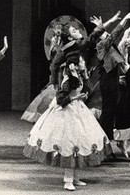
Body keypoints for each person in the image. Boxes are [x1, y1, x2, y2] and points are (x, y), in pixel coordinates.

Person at [23, 56, 110, 191]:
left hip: (79, 110)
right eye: (81, 61)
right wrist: (76, 97)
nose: (84, 63)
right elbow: (60, 99)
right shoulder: (68, 79)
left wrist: (86, 76)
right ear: (73, 65)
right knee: (69, 144)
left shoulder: (78, 76)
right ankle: (68, 180)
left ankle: (75, 177)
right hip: (67, 113)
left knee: (80, 143)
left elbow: (89, 90)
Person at [96, 11, 130, 147]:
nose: (107, 34)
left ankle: (107, 143)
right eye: (104, 33)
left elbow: (119, 38)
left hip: (112, 80)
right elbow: (114, 35)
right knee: (107, 112)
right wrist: (125, 19)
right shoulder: (101, 45)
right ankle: (101, 142)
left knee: (111, 112)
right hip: (107, 81)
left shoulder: (110, 47)